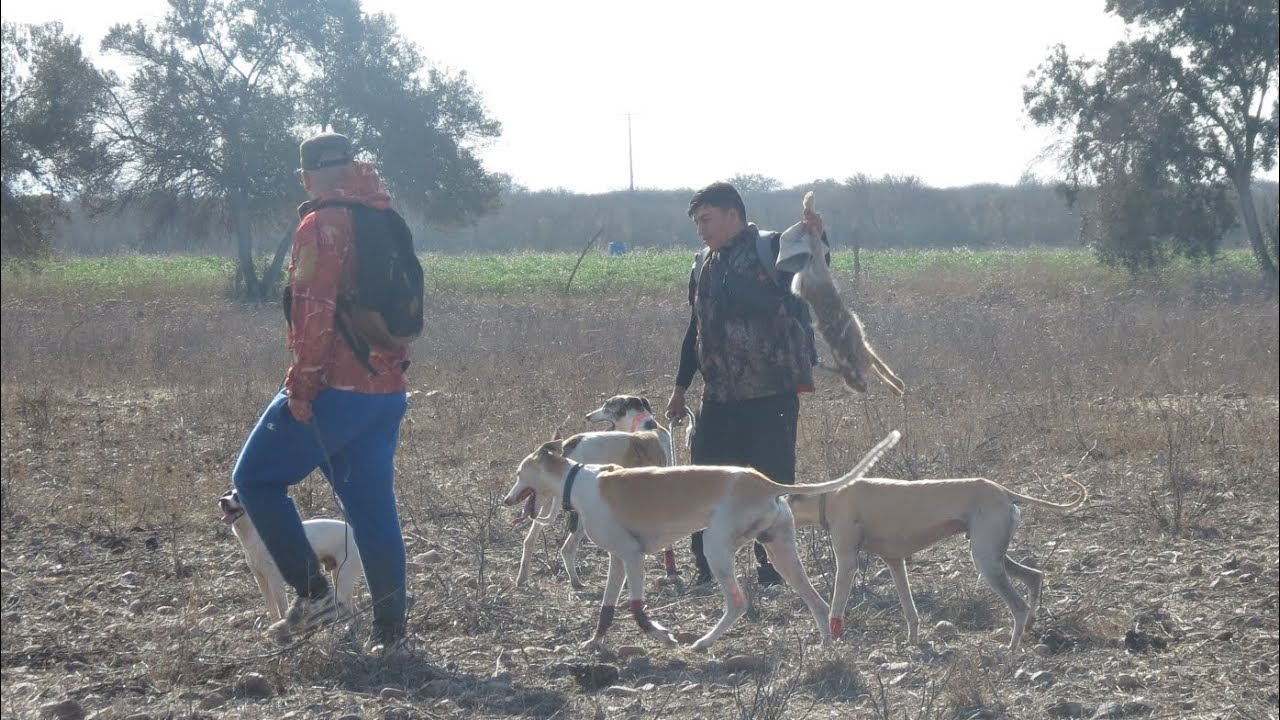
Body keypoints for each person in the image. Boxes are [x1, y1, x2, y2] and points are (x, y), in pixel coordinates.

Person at [232, 132, 411, 652]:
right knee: (373, 512)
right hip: (386, 390)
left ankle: (313, 597)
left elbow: (313, 313)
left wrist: (302, 387)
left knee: (254, 479)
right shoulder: (385, 217)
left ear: (307, 176)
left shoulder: (321, 224)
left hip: (336, 388)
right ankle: (391, 636)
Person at [666, 182, 825, 587]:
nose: (701, 230)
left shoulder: (771, 249)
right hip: (718, 399)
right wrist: (681, 387)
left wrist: (817, 236)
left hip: (771, 397)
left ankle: (772, 571)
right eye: (697, 222)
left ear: (733, 215)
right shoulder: (703, 263)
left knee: (768, 486)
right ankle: (708, 569)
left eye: (707, 219)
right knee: (705, 484)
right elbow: (696, 328)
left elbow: (815, 268)